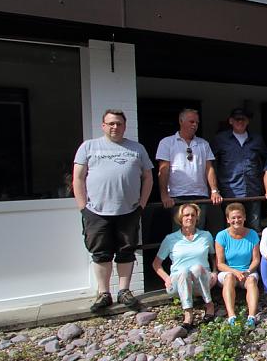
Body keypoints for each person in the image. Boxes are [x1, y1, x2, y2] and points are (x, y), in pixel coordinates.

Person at [73, 109, 153, 313]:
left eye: (119, 123)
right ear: (103, 126)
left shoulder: (137, 148)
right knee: (101, 253)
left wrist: (141, 205)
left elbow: (148, 178)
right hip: (96, 212)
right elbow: (78, 178)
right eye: (111, 123)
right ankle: (104, 293)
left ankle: (124, 291)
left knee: (126, 251)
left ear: (125, 126)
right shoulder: (88, 147)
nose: (115, 127)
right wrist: (83, 208)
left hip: (129, 211)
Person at [152, 203, 217, 331]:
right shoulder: (170, 239)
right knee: (183, 271)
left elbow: (213, 256)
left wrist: (214, 271)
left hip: (202, 281)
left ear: (197, 218)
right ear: (180, 218)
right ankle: (188, 313)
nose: (190, 218)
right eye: (186, 215)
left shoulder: (206, 235)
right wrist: (166, 278)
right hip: (178, 282)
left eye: (193, 215)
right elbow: (156, 264)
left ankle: (209, 304)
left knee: (197, 268)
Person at [156, 108, 224, 212]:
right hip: (176, 196)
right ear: (181, 121)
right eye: (191, 122)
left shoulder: (203, 144)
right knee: (179, 223)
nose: (195, 125)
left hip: (200, 195)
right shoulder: (167, 142)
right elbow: (163, 170)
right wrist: (164, 195)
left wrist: (214, 191)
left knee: (199, 223)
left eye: (197, 122)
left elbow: (209, 168)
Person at [211, 108, 267, 231]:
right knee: (232, 228)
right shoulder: (220, 139)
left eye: (243, 119)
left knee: (254, 228)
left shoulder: (257, 139)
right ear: (230, 121)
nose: (240, 122)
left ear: (248, 121)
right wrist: (215, 189)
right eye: (237, 119)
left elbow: (265, 162)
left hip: (253, 191)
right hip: (230, 191)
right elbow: (210, 164)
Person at [214, 202, 262, 327]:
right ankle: (231, 316)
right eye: (233, 218)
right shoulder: (221, 236)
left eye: (239, 217)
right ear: (228, 219)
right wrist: (235, 272)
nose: (236, 220)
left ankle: (251, 316)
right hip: (228, 271)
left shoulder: (252, 234)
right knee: (229, 277)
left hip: (247, 270)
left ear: (244, 217)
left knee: (251, 280)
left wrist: (248, 271)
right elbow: (220, 264)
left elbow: (256, 259)